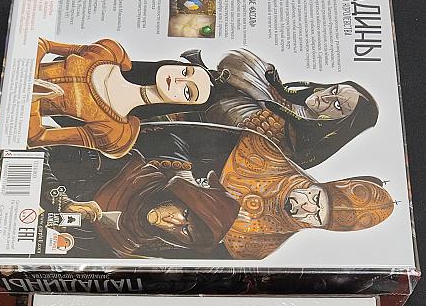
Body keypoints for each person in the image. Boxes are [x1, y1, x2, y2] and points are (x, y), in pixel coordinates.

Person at [39, 123, 395, 261]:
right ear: (320, 185)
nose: (304, 208)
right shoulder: (262, 151)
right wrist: (180, 175)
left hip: (116, 232)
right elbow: (173, 132)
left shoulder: (256, 247)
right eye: (315, 199)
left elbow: (175, 254)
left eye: (316, 217)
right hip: (125, 169)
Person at [176, 48, 379, 168]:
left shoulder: (308, 141)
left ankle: (209, 85)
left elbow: (272, 119)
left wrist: (267, 101)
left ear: (340, 122)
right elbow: (282, 93)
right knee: (241, 59)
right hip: (263, 104)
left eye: (337, 105)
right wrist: (274, 84)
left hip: (245, 128)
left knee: (229, 108)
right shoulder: (305, 97)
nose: (325, 97)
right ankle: (211, 80)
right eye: (334, 90)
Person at [28, 37, 213, 157]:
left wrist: (31, 98)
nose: (178, 80)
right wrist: (27, 74)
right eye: (185, 71)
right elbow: (42, 44)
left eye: (188, 91)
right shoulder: (110, 52)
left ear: (183, 104)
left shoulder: (116, 134)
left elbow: (37, 137)